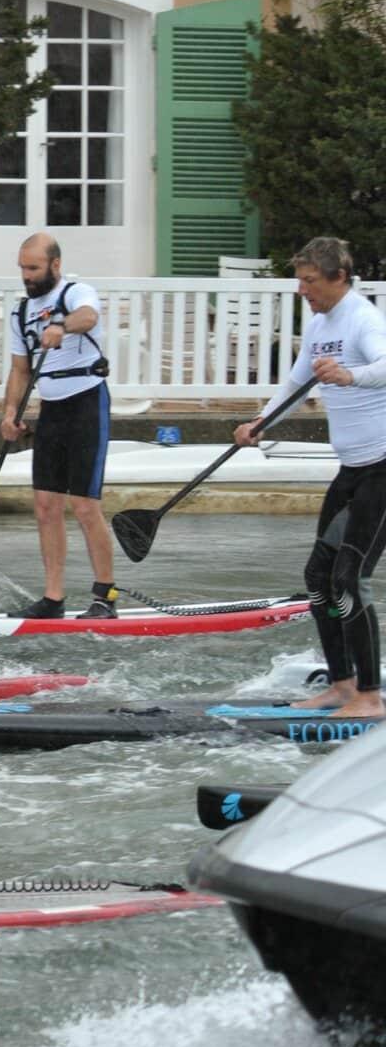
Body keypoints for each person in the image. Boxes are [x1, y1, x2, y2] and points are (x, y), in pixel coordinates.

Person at [234, 236, 386, 720]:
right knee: (319, 576)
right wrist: (260, 423)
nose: (301, 289)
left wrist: (349, 377)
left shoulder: (363, 318)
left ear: (338, 277)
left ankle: (370, 696)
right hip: (352, 470)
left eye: (309, 280)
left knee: (349, 578)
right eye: (299, 279)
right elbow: (296, 388)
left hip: (384, 467)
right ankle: (341, 685)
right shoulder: (320, 324)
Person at [0, 232, 119, 620]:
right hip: (50, 409)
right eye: (22, 268)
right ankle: (53, 599)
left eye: (32, 268)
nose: (26, 275)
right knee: (46, 506)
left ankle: (105, 598)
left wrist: (62, 327)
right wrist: (10, 413)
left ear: (54, 265)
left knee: (85, 506)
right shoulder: (21, 313)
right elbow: (20, 371)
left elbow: (89, 317)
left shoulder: (75, 292)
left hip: (87, 402)